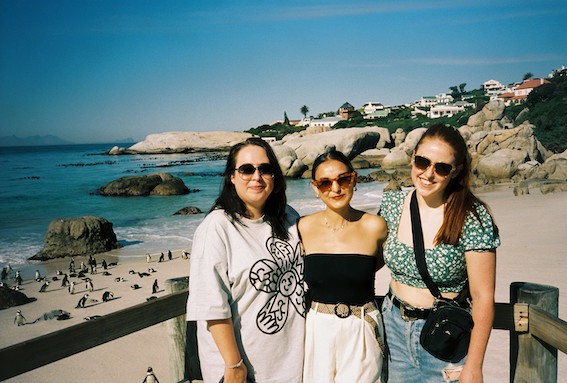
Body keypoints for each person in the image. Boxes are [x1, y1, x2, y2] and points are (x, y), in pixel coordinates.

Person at [378, 124, 500, 383]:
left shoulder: (472, 217)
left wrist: (474, 366)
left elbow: (483, 296)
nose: (428, 174)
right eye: (422, 162)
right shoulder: (392, 204)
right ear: (412, 158)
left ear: (455, 172)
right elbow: (366, 256)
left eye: (441, 167)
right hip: (393, 330)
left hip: (444, 337)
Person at [186, 137, 305, 383]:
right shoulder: (217, 227)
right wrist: (234, 365)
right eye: (247, 169)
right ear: (232, 176)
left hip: (293, 363)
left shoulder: (288, 217)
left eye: (265, 169)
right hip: (244, 370)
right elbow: (211, 304)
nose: (257, 177)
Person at [299, 150, 388, 383]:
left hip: (362, 326)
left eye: (343, 179)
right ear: (315, 188)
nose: (336, 188)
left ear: (354, 179)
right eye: (325, 183)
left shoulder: (376, 227)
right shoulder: (303, 227)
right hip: (317, 329)